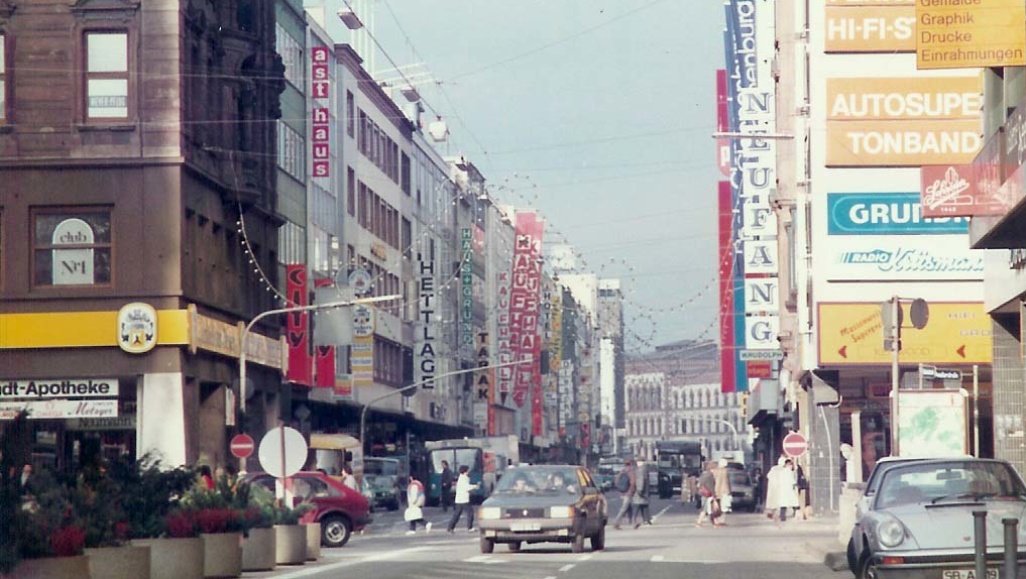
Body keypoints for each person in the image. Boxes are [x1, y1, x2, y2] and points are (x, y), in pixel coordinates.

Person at [446, 465, 479, 533]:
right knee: (470, 513)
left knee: (457, 514)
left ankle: (450, 527)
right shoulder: (464, 478)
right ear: (465, 471)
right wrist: (475, 486)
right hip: (464, 499)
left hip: (459, 499)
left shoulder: (461, 478)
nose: (468, 471)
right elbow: (466, 487)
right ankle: (470, 527)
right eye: (467, 470)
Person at [695, 461, 723, 527]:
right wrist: (714, 495)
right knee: (707, 509)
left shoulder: (704, 474)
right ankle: (699, 522)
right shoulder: (710, 475)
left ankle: (715, 522)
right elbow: (711, 486)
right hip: (708, 494)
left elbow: (699, 483)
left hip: (703, 493)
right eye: (716, 468)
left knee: (709, 508)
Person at [611, 458, 636, 530]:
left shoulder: (621, 472)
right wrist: (631, 491)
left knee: (629, 508)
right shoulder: (631, 472)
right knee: (624, 508)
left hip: (622, 492)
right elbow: (633, 483)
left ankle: (633, 523)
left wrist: (621, 490)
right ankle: (616, 523)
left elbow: (616, 482)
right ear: (631, 464)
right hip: (628, 493)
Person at [632, 460, 652, 528]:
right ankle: (647, 520)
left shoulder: (640, 470)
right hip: (645, 491)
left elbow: (640, 480)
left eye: (638, 461)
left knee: (637, 507)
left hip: (640, 492)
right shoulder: (645, 469)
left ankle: (634, 520)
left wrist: (639, 490)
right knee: (644, 506)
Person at [713, 459, 732, 524]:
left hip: (716, 490)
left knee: (716, 506)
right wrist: (729, 490)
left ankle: (716, 520)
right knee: (724, 507)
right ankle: (722, 520)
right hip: (724, 491)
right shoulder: (725, 471)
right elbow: (727, 482)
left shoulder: (714, 471)